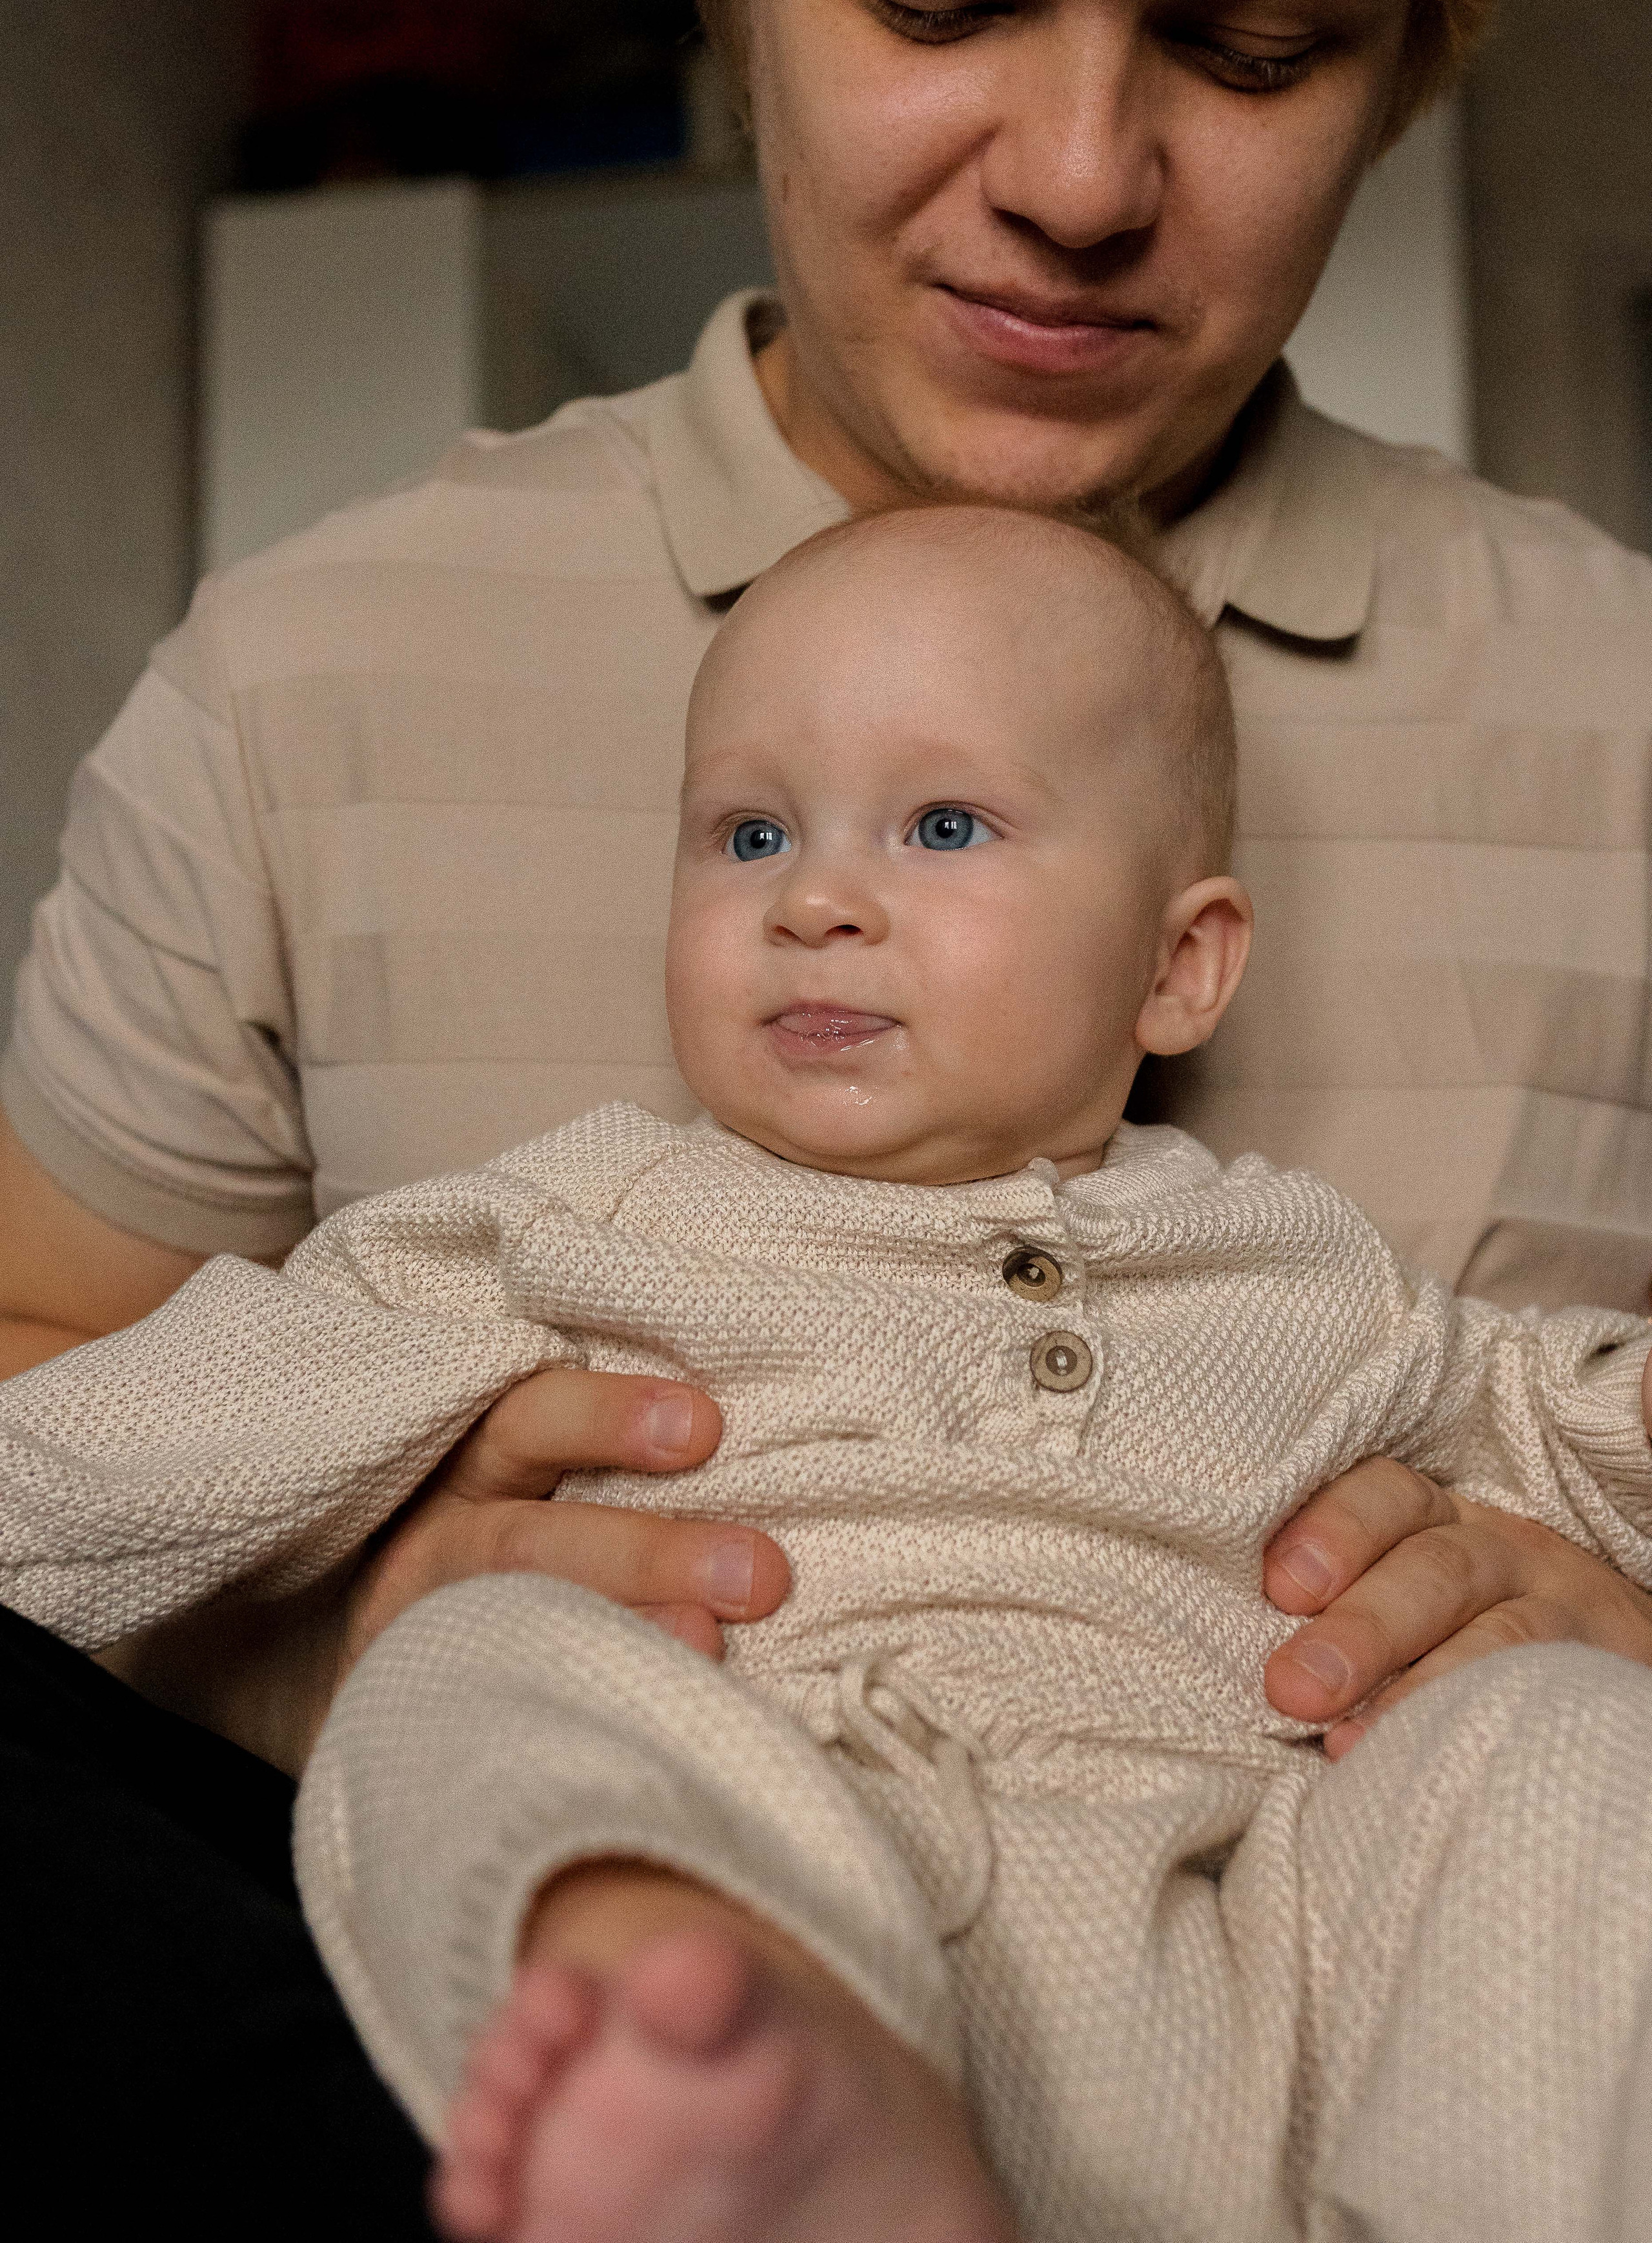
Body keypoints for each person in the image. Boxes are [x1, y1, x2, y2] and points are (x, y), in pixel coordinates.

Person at [1, 0, 1649, 2220]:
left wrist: (1610, 1638)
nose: (1083, 180)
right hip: (660, 1908)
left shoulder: (1623, 692)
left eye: (1256, 45)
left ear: (1408, 63)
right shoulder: (299, 676)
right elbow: (58, 1426)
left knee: (1558, 1762)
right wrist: (328, 1648)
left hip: (1329, 1963)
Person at [10, 507, 1652, 2243]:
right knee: (479, 1661)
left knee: (1558, 1735)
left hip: (1289, 1949)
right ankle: (759, 2114)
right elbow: (172, 1424)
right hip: (801, 1863)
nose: (815, 901)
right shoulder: (588, 1219)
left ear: (1180, 964)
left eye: (943, 826)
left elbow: (1565, 1414)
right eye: (747, 832)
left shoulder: (1299, 1266)